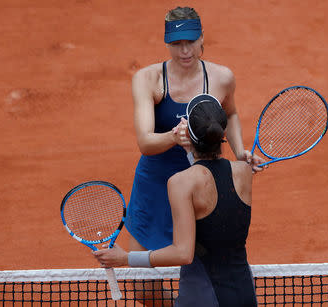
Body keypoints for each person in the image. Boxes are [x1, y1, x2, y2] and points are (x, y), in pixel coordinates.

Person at [93, 95, 258, 306]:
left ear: (188, 134)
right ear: (222, 133)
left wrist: (125, 259)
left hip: (201, 298)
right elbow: (214, 179)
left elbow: (183, 253)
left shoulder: (180, 183)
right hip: (243, 293)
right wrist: (192, 151)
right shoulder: (244, 171)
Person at [126, 6, 264, 255]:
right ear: (166, 43)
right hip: (155, 185)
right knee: (144, 288)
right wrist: (173, 136)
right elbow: (145, 143)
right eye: (177, 43)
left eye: (190, 41)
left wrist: (239, 151)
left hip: (203, 184)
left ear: (202, 37)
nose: (185, 51)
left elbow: (230, 112)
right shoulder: (149, 80)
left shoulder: (222, 77)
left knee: (201, 271)